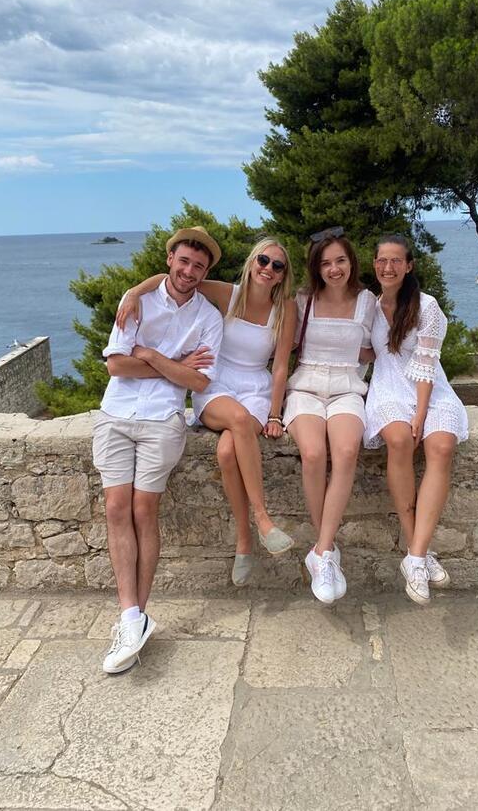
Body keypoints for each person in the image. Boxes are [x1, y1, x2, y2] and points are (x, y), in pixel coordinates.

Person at [116, 237, 297, 586]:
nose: (268, 269)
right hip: (217, 384)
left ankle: (244, 543)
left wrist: (275, 414)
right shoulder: (229, 294)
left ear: (282, 275)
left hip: (256, 389)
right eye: (263, 260)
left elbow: (280, 366)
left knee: (228, 451)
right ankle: (262, 519)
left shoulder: (286, 308)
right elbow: (176, 279)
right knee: (238, 420)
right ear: (252, 262)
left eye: (277, 266)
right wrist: (135, 292)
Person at [93, 226, 224, 674]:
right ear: (170, 259)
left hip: (163, 419)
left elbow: (199, 381)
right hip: (116, 412)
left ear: (205, 272)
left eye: (199, 266)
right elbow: (116, 365)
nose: (189, 271)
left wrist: (149, 356)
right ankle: (131, 616)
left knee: (144, 510)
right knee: (116, 507)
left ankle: (137, 616)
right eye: (183, 261)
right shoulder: (137, 301)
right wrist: (173, 365)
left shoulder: (208, 318)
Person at [364, 234, 468, 605]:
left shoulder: (427, 306)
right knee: (398, 440)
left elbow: (426, 366)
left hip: (429, 390)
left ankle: (416, 556)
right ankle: (418, 553)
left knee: (441, 446)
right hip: (388, 388)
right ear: (375, 265)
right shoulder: (369, 306)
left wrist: (421, 414)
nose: (388, 267)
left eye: (396, 260)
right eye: (382, 260)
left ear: (409, 266)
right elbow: (365, 349)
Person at [283, 227, 375, 604]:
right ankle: (326, 552)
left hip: (347, 387)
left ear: (351, 262)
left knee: (347, 452)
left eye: (340, 260)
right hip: (305, 385)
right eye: (325, 263)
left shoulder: (367, 301)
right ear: (316, 268)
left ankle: (321, 552)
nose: (334, 269)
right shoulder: (302, 299)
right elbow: (284, 345)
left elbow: (373, 348)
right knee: (313, 454)